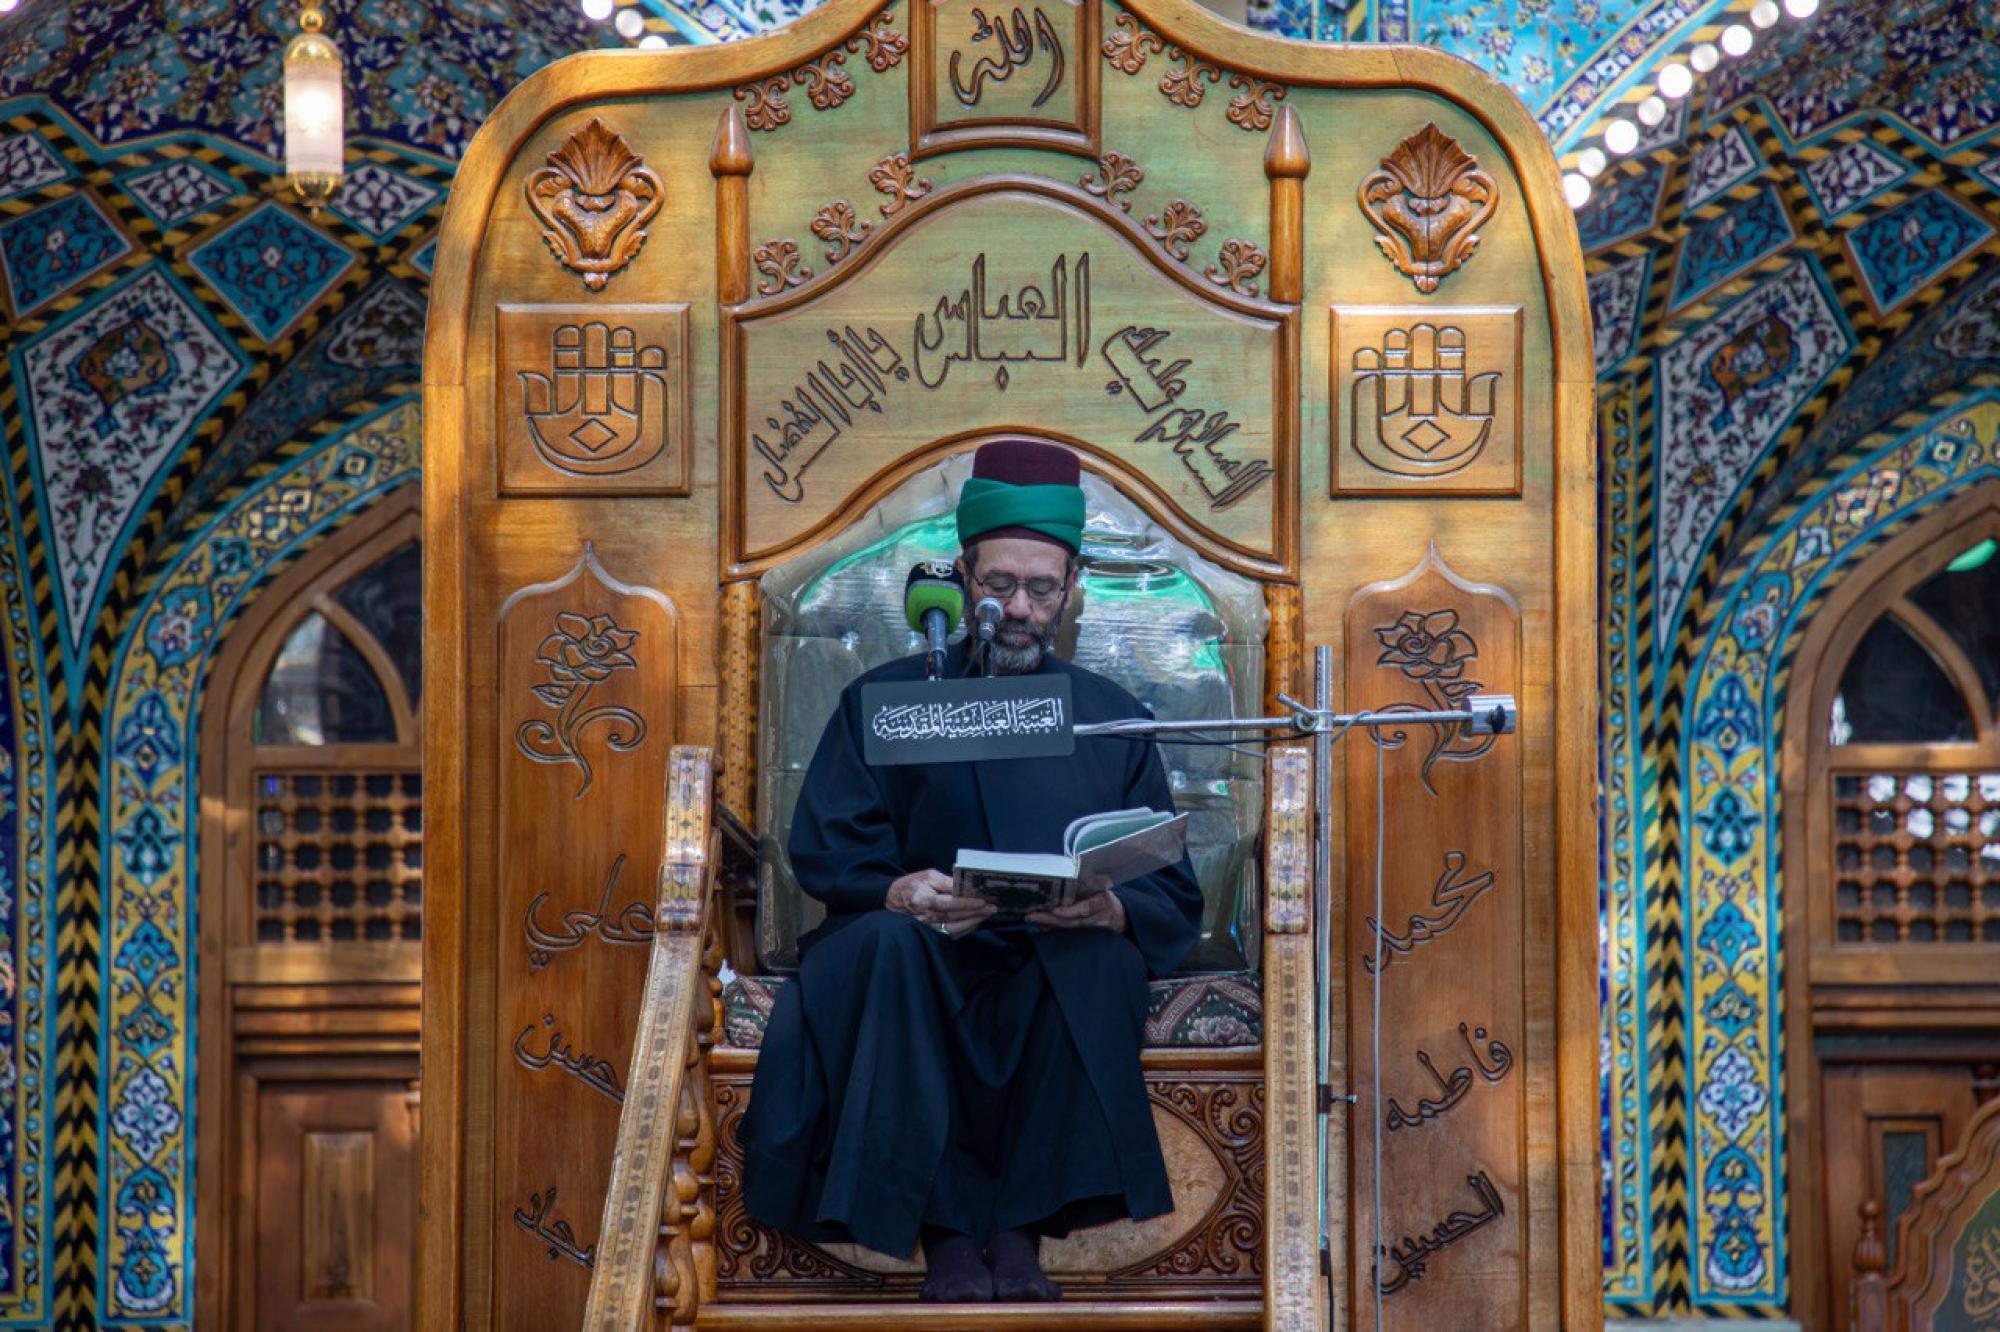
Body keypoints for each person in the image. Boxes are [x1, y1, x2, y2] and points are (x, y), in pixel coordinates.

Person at [741, 438, 1204, 1303]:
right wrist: (898, 891)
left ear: (1072, 589)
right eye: (999, 585)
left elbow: (1166, 880)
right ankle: (946, 1233)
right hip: (919, 950)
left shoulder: (1111, 718)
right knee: (886, 948)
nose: (1019, 608)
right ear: (962, 578)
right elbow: (829, 847)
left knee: (1100, 959)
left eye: (1040, 588)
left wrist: (1110, 909)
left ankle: (1021, 1233)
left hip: (1046, 952)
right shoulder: (887, 701)